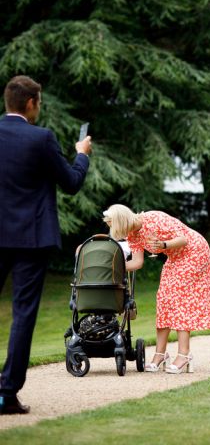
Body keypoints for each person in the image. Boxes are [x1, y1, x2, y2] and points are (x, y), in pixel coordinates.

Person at [0, 75, 91, 415]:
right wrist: (81, 155)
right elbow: (71, 182)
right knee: (23, 314)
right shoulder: (41, 139)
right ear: (30, 103)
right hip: (30, 239)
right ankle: (6, 394)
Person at [102, 204, 210, 374]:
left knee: (181, 299)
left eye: (113, 226)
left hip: (194, 251)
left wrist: (163, 244)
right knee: (164, 299)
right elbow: (137, 262)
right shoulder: (132, 235)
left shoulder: (154, 218)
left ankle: (184, 355)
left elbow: (183, 239)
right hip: (176, 257)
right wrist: (113, 267)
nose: (115, 231)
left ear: (121, 222)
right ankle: (160, 354)